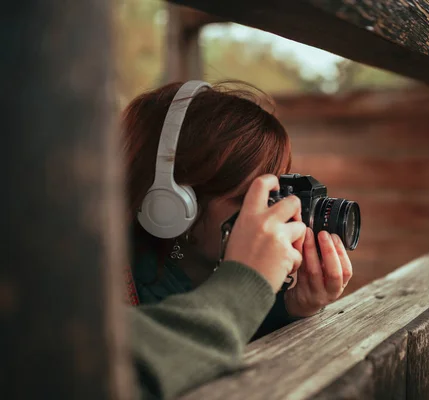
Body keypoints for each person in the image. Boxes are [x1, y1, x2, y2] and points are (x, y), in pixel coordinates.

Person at [123, 81, 353, 399]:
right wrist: (247, 284)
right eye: (249, 198)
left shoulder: (204, 273)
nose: (269, 218)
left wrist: (289, 309)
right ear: (171, 206)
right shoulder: (95, 285)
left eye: (275, 194)